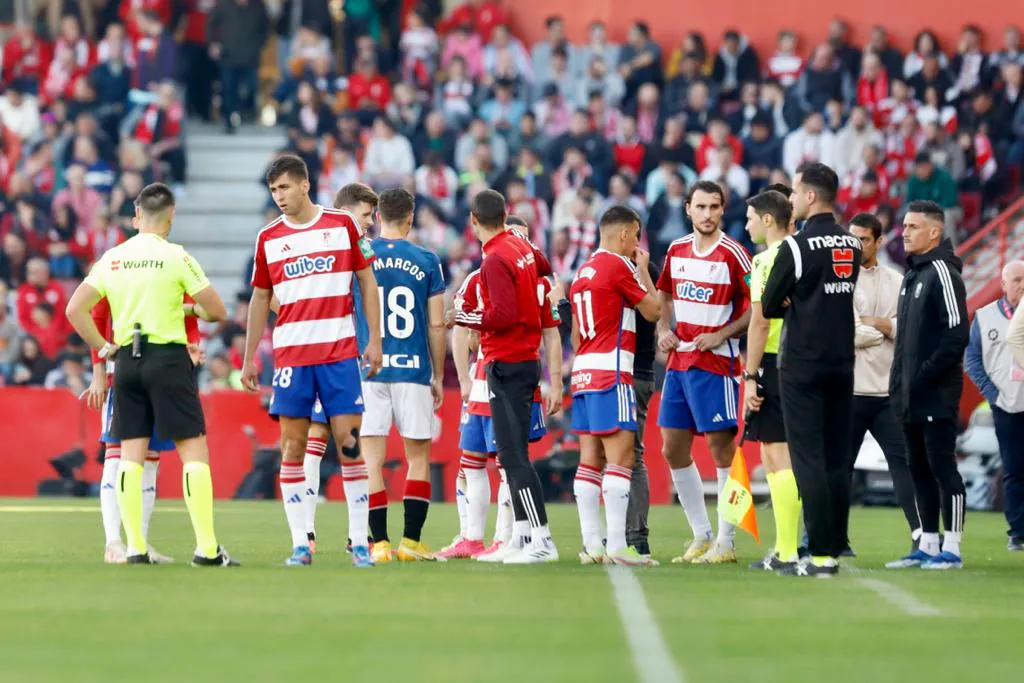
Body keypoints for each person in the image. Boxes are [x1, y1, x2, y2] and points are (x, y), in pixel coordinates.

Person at [65, 183, 236, 567]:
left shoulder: (113, 258)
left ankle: (136, 547)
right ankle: (207, 549)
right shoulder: (177, 256)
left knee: (130, 455)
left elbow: (76, 309)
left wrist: (105, 347)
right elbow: (217, 310)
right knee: (193, 451)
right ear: (170, 219)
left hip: (126, 361)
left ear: (137, 216)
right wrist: (188, 312)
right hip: (168, 358)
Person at [242, 155, 383, 568]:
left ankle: (360, 542)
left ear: (305, 184)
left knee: (350, 446)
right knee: (293, 447)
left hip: (339, 355)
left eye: (285, 187)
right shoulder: (268, 237)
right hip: (292, 357)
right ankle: (300, 544)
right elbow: (260, 298)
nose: (279, 197)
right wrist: (250, 357)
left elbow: (367, 282)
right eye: (273, 190)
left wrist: (374, 339)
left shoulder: (342, 225)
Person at [761, 162, 861, 577]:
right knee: (838, 458)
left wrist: (792, 301)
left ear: (809, 196)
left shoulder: (796, 248)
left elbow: (769, 305)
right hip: (843, 361)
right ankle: (835, 543)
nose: (791, 198)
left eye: (796, 190)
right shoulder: (853, 244)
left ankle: (819, 555)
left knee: (809, 459)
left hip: (803, 364)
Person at [440, 230, 562, 562]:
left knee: (511, 461)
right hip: (485, 376)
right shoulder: (479, 277)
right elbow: (465, 334)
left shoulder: (536, 283)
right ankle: (476, 537)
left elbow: (548, 333)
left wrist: (557, 381)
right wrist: (464, 377)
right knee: (472, 460)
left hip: (512, 370)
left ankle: (512, 536)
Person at [656, 180, 752, 565]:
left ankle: (727, 542)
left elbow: (755, 308)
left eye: (715, 207)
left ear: (722, 210)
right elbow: (664, 294)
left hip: (718, 363)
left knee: (723, 450)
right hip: (680, 362)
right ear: (688, 209)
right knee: (672, 447)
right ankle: (701, 535)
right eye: (701, 207)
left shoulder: (736, 255)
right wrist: (665, 329)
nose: (708, 214)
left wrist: (722, 334)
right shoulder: (676, 251)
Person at [356, 188, 447, 563]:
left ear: (377, 216)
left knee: (371, 462)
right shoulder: (427, 259)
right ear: (410, 217)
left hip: (369, 370)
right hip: (413, 370)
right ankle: (411, 542)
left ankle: (378, 545)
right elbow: (438, 324)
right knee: (418, 458)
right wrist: (439, 375)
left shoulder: (360, 255)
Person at [569, 205, 661, 566]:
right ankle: (620, 546)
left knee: (589, 461)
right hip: (613, 371)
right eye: (636, 235)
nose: (637, 243)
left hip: (583, 372)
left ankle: (592, 546)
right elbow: (653, 311)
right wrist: (642, 272)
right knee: (622, 459)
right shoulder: (619, 265)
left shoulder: (582, 271)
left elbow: (576, 337)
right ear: (624, 234)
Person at [86, 294, 203, 565]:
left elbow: (188, 311)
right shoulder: (115, 264)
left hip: (164, 372)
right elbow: (96, 317)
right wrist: (99, 370)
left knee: (150, 460)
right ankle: (113, 542)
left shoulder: (172, 262)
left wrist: (193, 342)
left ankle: (139, 541)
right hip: (124, 370)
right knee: (117, 456)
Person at [889, 200, 969, 570]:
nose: (904, 232)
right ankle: (929, 543)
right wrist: (899, 386)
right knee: (918, 468)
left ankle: (952, 546)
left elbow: (956, 336)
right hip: (908, 395)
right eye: (904, 226)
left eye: (913, 227)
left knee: (941, 467)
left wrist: (923, 378)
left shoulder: (943, 273)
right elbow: (905, 341)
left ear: (934, 232)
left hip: (935, 394)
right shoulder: (912, 275)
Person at [302, 182, 379, 554]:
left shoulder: (338, 241)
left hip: (345, 352)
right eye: (366, 216)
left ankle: (338, 535)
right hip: (334, 353)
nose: (370, 224)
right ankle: (331, 534)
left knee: (331, 443)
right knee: (325, 443)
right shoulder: (346, 239)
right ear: (347, 212)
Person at [847, 213, 923, 564]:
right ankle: (826, 536)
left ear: (878, 241)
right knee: (836, 467)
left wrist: (873, 325)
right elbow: (844, 332)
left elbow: (907, 327)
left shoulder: (897, 279)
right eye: (852, 239)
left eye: (863, 239)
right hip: (849, 389)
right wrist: (886, 328)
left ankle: (922, 537)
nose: (855, 245)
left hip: (887, 392)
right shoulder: (839, 279)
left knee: (904, 465)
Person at [742, 188, 800, 571]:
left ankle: (788, 549)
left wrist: (749, 375)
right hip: (801, 360)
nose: (745, 225)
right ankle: (787, 546)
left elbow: (760, 323)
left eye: (750, 218)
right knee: (777, 454)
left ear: (767, 220)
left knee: (778, 456)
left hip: (774, 361)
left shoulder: (767, 261)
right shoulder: (802, 255)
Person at [964, 260, 1024, 552]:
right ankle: (1017, 531)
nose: (1022, 285)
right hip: (1006, 403)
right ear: (1003, 285)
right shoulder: (986, 316)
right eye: (1016, 280)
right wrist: (990, 392)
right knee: (1013, 468)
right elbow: (972, 358)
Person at [625, 235, 662, 559]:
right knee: (617, 456)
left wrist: (643, 272)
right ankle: (621, 535)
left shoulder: (643, 269)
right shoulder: (608, 267)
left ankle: (635, 537)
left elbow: (656, 310)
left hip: (634, 373)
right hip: (624, 372)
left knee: (629, 456)